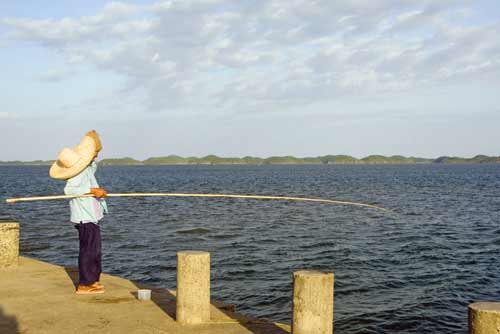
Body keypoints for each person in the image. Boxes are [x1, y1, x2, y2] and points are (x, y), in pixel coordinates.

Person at [49, 130, 108, 294]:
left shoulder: (85, 170)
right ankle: (84, 284)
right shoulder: (76, 176)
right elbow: (70, 191)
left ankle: (92, 280)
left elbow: (92, 167)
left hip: (92, 217)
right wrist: (93, 190)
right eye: (94, 154)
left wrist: (93, 148)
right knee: (88, 250)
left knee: (94, 250)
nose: (95, 157)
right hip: (84, 218)